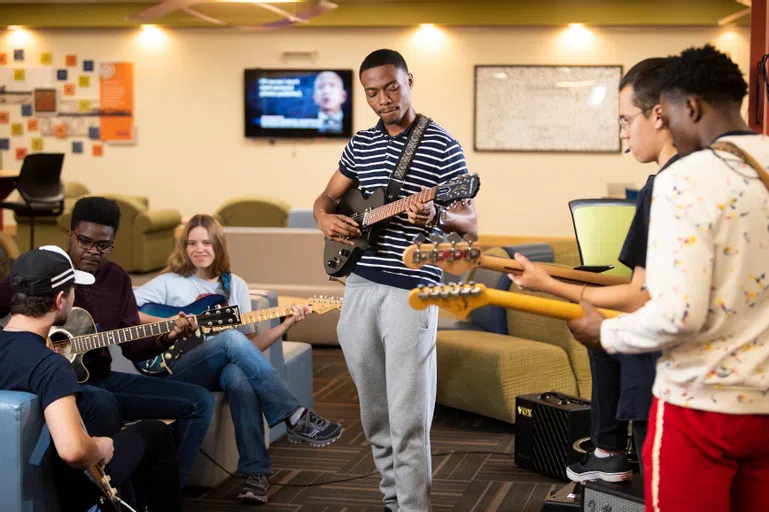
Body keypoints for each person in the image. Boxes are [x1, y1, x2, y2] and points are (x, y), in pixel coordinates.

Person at [568, 44, 769, 511]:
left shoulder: (687, 177)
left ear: (690, 107)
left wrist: (606, 332)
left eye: (668, 113)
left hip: (701, 409)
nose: (667, 127)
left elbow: (677, 312)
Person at [313, 48, 478, 512]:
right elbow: (326, 199)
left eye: (391, 87)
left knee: (408, 418)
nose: (383, 99)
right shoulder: (359, 145)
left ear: (409, 81)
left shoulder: (442, 143)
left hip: (411, 290)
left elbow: (470, 221)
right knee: (374, 414)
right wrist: (324, 220)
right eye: (372, 92)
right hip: (360, 285)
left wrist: (439, 212)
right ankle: (393, 501)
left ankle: (414, 507)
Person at [509, 58, 677, 483]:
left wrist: (548, 284)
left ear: (658, 114)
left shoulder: (665, 187)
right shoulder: (713, 174)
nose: (622, 133)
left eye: (626, 119)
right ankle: (606, 452)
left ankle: (606, 453)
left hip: (663, 368)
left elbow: (641, 294)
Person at [0, 197, 214, 488]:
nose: (93, 252)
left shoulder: (117, 279)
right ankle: (109, 495)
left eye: (103, 245)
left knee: (199, 400)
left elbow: (134, 348)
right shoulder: (43, 272)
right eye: (85, 241)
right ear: (71, 235)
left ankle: (166, 491)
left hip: (101, 378)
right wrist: (38, 346)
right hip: (62, 382)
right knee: (102, 403)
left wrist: (169, 337)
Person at [133, 214, 343, 503]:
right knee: (229, 338)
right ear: (183, 247)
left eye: (207, 242)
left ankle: (255, 475)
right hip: (175, 368)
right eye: (192, 243)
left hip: (217, 367)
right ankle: (293, 415)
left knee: (238, 376)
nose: (199, 249)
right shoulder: (169, 282)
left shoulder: (235, 287)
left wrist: (285, 325)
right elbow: (127, 311)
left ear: (218, 246)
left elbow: (247, 347)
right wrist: (173, 324)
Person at [0, 246, 182, 511]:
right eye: (74, 289)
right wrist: (100, 446)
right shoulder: (50, 366)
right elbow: (73, 451)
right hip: (57, 489)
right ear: (60, 299)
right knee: (155, 433)